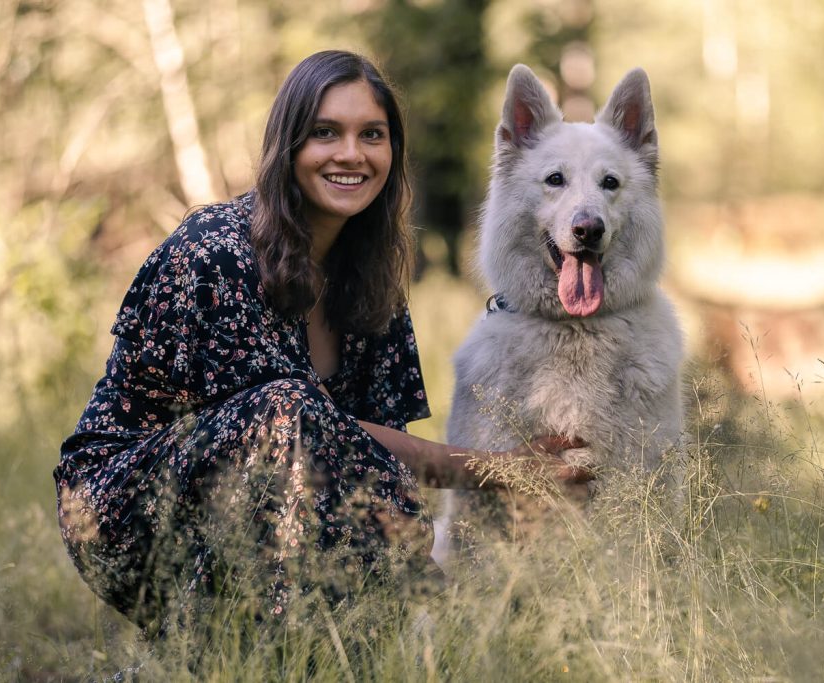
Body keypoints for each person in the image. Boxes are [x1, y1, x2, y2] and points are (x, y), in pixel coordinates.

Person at [53, 50, 586, 633]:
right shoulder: (216, 251)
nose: (351, 154)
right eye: (325, 132)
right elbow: (287, 427)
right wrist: (497, 470)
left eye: (372, 135)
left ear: (392, 153)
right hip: (120, 511)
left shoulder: (372, 275)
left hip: (259, 517)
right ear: (289, 147)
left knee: (374, 581)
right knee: (288, 408)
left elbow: (372, 464)